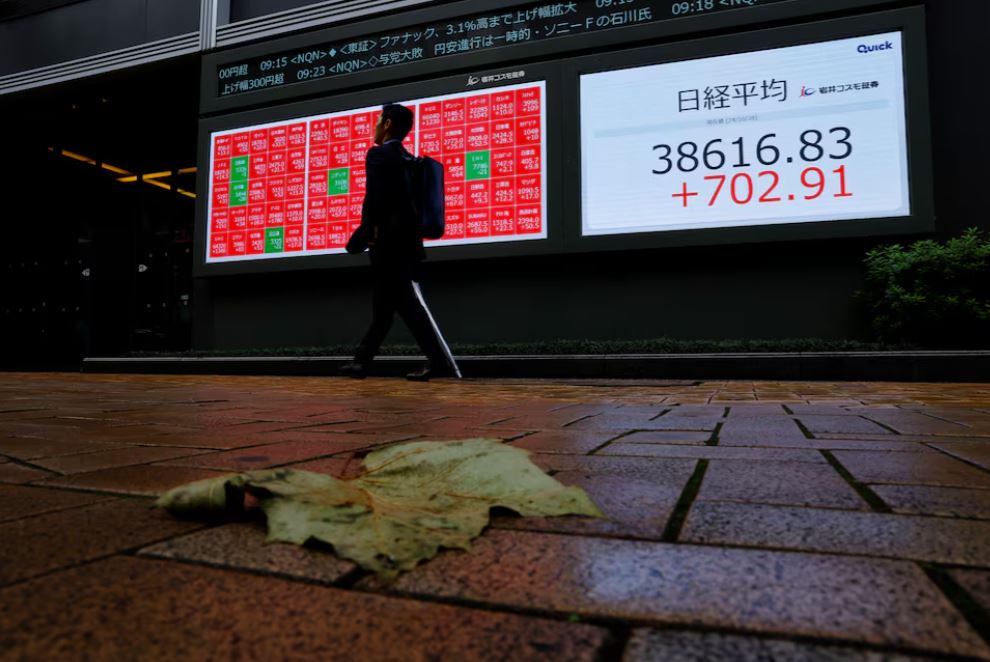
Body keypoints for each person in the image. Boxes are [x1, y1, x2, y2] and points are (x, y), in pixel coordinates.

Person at [339, 103, 460, 382]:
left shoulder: (379, 156)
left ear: (389, 124)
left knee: (406, 305)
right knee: (384, 307)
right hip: (408, 246)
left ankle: (438, 362)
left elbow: (376, 201)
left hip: (387, 246)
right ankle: (361, 363)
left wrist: (360, 237)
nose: (375, 125)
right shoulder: (410, 160)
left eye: (379, 120)